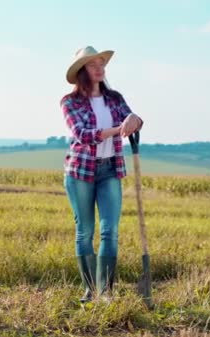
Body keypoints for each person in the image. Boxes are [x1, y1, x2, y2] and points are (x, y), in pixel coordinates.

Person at [60, 46, 144, 303]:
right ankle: (90, 290)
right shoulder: (69, 102)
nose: (100, 68)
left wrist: (134, 118)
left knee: (110, 230)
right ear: (81, 71)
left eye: (101, 64)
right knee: (84, 232)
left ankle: (105, 292)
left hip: (110, 169)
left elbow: (132, 121)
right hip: (80, 171)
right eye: (93, 64)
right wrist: (118, 128)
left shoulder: (115, 98)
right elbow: (83, 135)